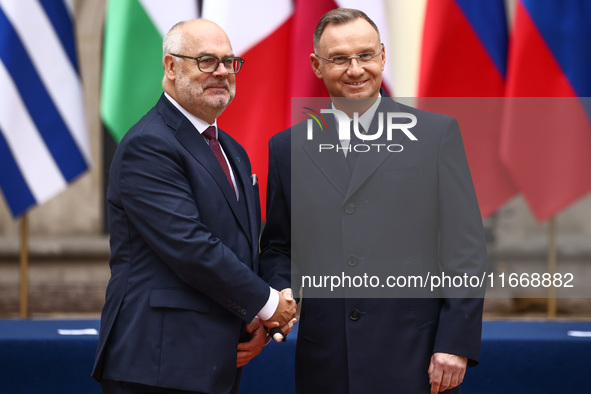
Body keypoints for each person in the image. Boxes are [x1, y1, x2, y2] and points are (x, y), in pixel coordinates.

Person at [259, 8, 488, 394]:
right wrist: (281, 290)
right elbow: (280, 246)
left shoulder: (435, 136)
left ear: (383, 55)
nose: (355, 69)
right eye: (339, 59)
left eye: (365, 55)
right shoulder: (287, 148)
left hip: (416, 358)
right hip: (326, 360)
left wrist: (455, 342)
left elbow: (464, 249)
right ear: (316, 65)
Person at [92, 19, 296, 394]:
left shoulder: (232, 150)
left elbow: (248, 248)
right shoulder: (148, 145)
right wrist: (268, 305)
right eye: (206, 61)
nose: (221, 72)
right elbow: (190, 245)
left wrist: (255, 321)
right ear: (171, 67)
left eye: (229, 61)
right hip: (157, 364)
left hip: (216, 360)